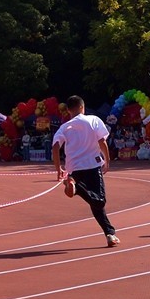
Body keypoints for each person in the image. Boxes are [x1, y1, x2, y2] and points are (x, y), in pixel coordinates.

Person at [53, 95, 120, 247]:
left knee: (95, 204)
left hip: (74, 169)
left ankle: (110, 233)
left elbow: (55, 146)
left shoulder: (64, 127)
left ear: (68, 110)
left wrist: (58, 168)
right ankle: (77, 189)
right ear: (83, 107)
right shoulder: (93, 120)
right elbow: (102, 141)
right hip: (92, 165)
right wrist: (107, 160)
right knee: (100, 200)